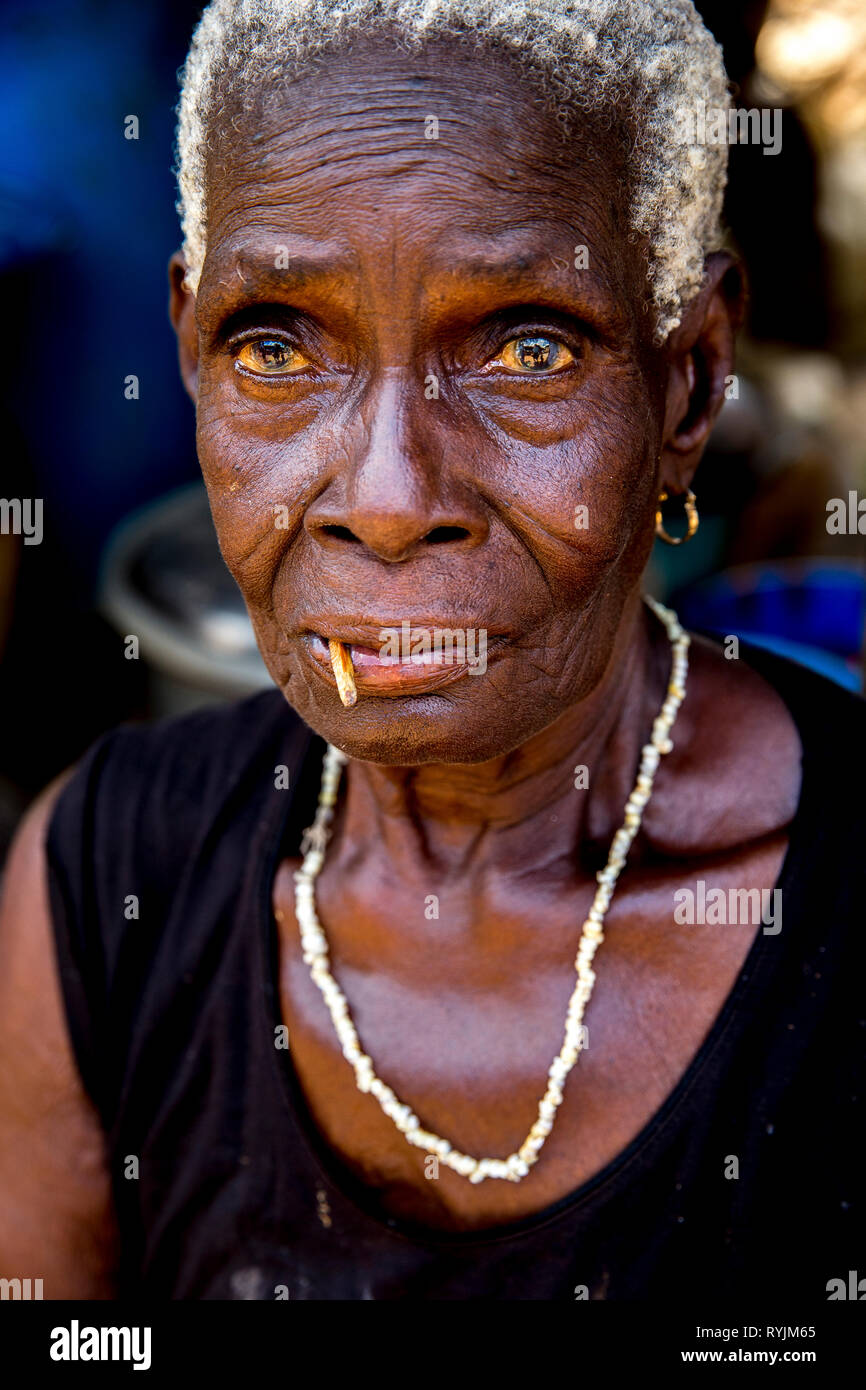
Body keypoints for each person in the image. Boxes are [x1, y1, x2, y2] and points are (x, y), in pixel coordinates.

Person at [0, 0, 862, 1301]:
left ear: (686, 381)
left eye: (527, 346)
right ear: (190, 352)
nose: (390, 498)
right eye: (275, 344)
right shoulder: (97, 882)